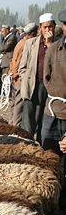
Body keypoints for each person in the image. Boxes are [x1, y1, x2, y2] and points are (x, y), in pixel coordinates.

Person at [19, 13, 55, 143]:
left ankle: (41, 147)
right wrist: (26, 80)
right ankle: (26, 147)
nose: (48, 30)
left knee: (44, 121)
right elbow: (22, 67)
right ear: (40, 28)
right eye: (45, 27)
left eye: (50, 27)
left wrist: (50, 45)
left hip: (49, 88)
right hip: (32, 87)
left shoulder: (57, 45)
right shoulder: (30, 44)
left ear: (54, 27)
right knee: (28, 121)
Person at [41, 10, 66, 156]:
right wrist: (57, 92)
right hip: (53, 111)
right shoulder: (54, 50)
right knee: (50, 154)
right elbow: (47, 78)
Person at [8, 22, 38, 127]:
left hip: (14, 76)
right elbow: (19, 62)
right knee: (19, 104)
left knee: (14, 102)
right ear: (33, 33)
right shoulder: (26, 45)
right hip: (20, 78)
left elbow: (13, 60)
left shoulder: (20, 42)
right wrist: (16, 74)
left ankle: (12, 123)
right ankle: (16, 126)